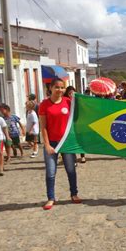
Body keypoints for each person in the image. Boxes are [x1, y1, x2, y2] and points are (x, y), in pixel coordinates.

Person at [39, 78, 81, 210]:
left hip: (66, 142)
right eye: (57, 87)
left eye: (62, 88)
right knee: (51, 172)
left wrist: (77, 100)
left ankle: (74, 194)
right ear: (50, 88)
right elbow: (43, 127)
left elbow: (79, 116)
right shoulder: (44, 104)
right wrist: (47, 144)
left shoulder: (68, 102)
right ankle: (51, 198)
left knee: (71, 169)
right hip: (51, 142)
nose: (60, 90)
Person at [64, 86, 86, 164]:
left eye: (72, 93)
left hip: (78, 123)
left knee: (80, 140)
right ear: (67, 94)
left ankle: (82, 156)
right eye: (69, 93)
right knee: (71, 141)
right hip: (68, 124)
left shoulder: (78, 101)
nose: (71, 94)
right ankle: (73, 158)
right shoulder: (65, 101)